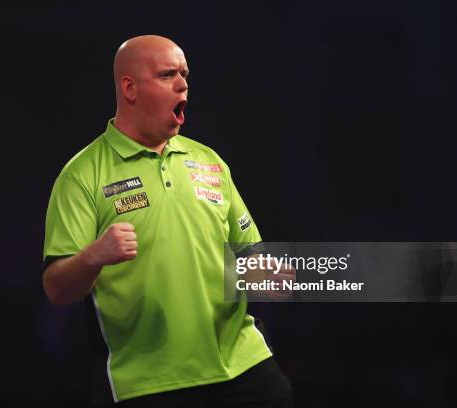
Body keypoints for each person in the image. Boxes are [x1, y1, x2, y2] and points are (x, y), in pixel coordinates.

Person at [42, 35, 293, 407]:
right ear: (130, 88)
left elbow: (249, 255)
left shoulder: (209, 161)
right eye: (167, 74)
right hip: (149, 383)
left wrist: (266, 274)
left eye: (185, 75)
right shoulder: (82, 175)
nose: (183, 84)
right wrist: (94, 256)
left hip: (243, 367)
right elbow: (56, 289)